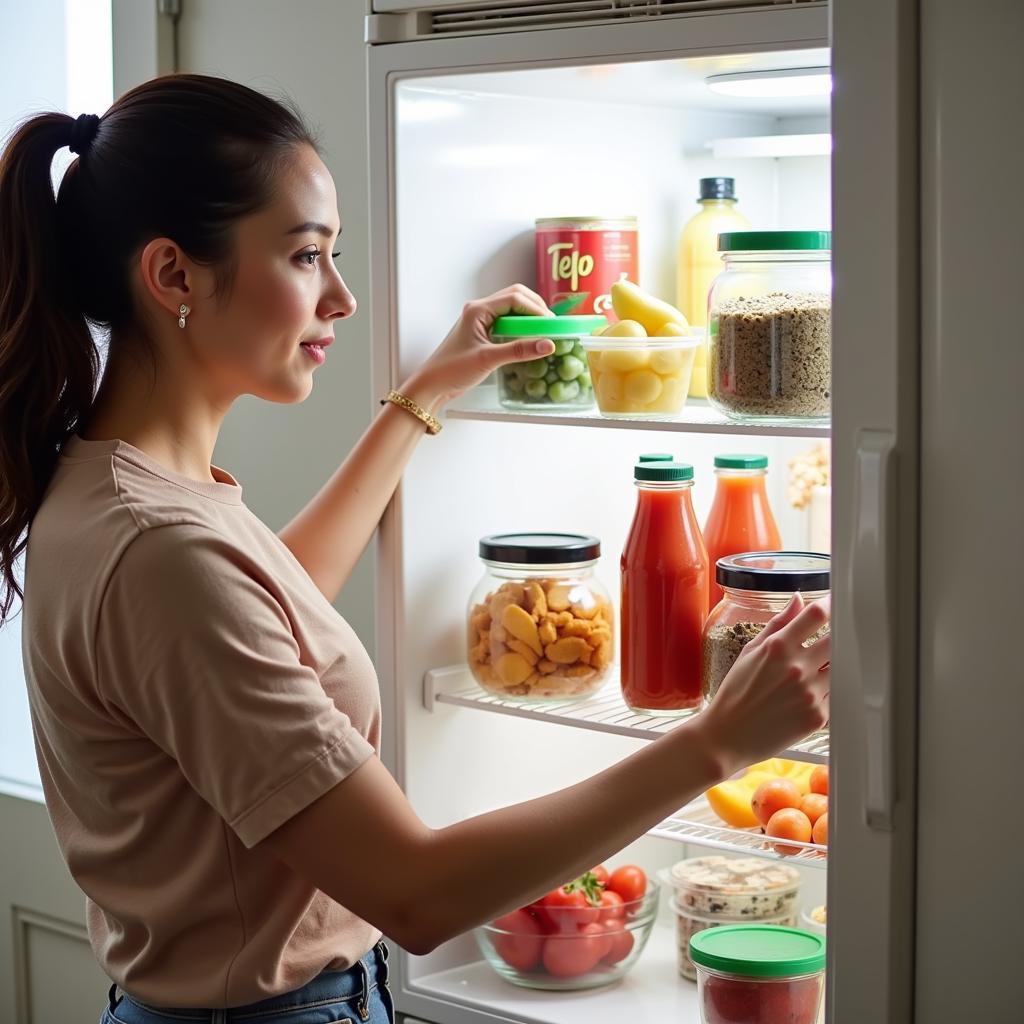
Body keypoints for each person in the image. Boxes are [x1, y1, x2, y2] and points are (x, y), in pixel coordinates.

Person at [0, 74, 830, 1024]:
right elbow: (417, 893)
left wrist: (425, 394)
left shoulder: (115, 487)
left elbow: (275, 609)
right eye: (307, 256)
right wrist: (714, 742)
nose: (343, 298)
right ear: (175, 275)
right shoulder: (159, 549)